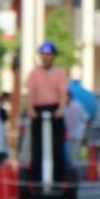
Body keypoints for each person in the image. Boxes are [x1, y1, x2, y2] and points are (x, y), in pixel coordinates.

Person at [25, 41, 69, 182]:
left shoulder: (60, 72)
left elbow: (63, 92)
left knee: (57, 145)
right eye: (43, 55)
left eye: (48, 55)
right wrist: (30, 109)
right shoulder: (34, 73)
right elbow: (30, 92)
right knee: (37, 146)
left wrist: (61, 108)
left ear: (53, 56)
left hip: (55, 109)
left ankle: (57, 177)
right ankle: (36, 178)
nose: (46, 57)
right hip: (38, 110)